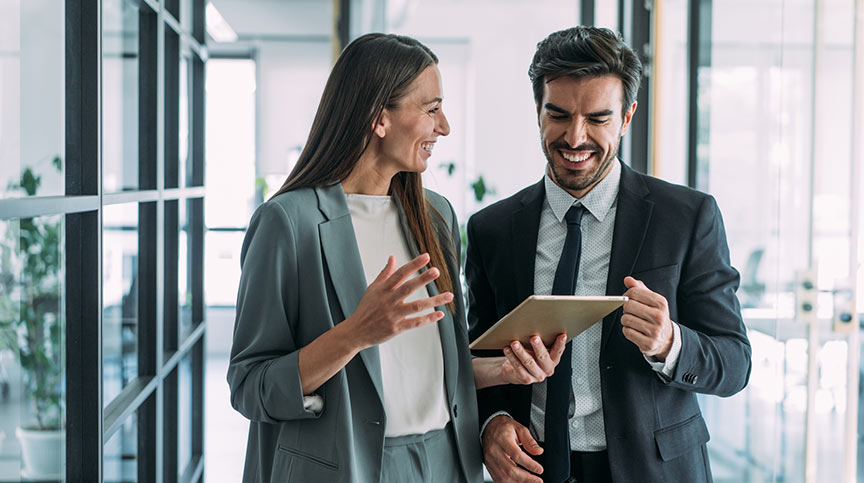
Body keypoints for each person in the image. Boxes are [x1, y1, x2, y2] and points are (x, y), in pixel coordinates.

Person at [227, 33, 566, 483]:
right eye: (431, 109)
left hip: (445, 462)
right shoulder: (288, 223)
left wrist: (500, 369)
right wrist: (354, 334)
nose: (443, 127)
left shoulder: (435, 216)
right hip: (346, 466)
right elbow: (251, 387)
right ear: (378, 117)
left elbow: (425, 369)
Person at [465, 26, 752, 483]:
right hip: (534, 470)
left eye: (597, 118)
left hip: (654, 471)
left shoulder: (688, 216)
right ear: (537, 110)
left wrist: (670, 343)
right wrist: (491, 424)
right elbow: (477, 356)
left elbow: (735, 362)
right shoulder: (491, 230)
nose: (575, 138)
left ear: (627, 116)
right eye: (557, 115)